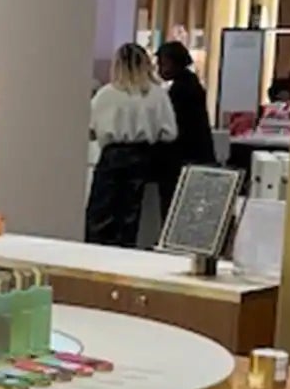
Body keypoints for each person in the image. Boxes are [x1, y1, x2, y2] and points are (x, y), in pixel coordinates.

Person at [85, 43, 177, 247]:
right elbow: (170, 133)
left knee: (101, 217)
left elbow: (89, 130)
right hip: (144, 159)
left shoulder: (105, 94)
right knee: (132, 218)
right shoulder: (157, 95)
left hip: (111, 158)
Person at [155, 41, 213, 220]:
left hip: (184, 157)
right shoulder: (189, 84)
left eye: (162, 64)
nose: (159, 69)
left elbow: (175, 126)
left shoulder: (182, 89)